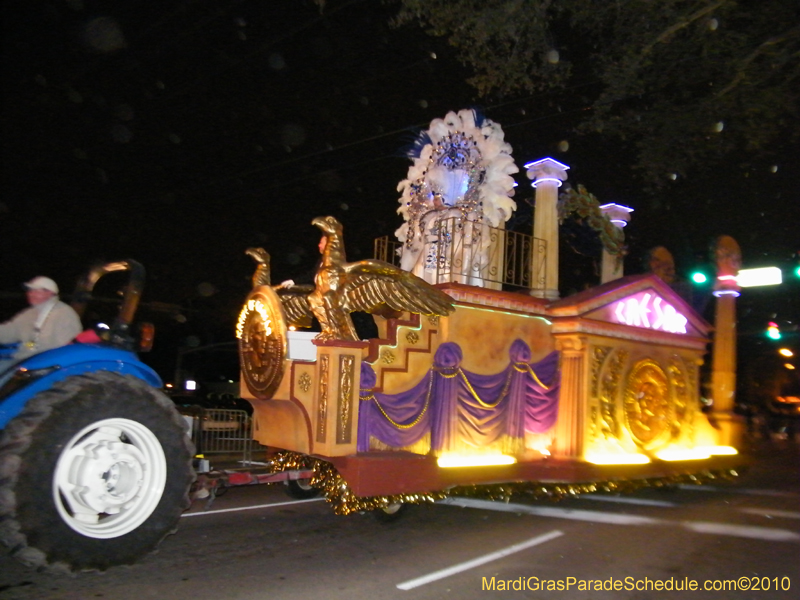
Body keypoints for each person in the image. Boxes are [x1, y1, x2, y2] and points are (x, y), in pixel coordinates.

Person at [0, 276, 82, 364]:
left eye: (36, 291)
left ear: (50, 293)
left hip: (47, 365)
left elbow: (65, 347)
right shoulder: (29, 313)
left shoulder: (64, 314)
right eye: (30, 290)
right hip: (24, 358)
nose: (31, 294)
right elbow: (11, 331)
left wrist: (29, 347)